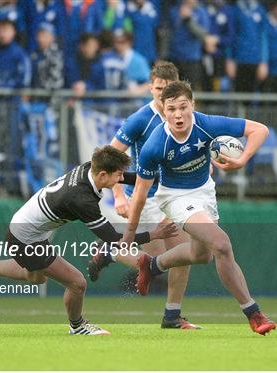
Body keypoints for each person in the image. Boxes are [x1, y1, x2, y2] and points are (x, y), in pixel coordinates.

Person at [0, 146, 177, 335]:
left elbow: (134, 178)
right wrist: (154, 234)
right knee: (77, 283)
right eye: (117, 175)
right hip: (25, 239)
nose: (121, 179)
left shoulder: (90, 168)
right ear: (102, 175)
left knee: (34, 276)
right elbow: (115, 239)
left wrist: (166, 178)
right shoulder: (80, 199)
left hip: (27, 230)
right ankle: (77, 326)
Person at [122, 81, 277, 336]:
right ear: (163, 109)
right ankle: (254, 313)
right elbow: (139, 195)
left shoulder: (207, 124)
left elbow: (260, 130)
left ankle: (152, 266)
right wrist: (128, 236)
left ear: (192, 105)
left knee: (201, 255)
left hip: (204, 191)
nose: (178, 114)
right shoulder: (155, 144)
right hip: (174, 197)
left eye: (183, 107)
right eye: (171, 109)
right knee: (222, 244)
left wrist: (242, 160)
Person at [88, 61, 200, 329]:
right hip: (146, 198)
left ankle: (172, 315)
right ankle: (111, 252)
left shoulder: (183, 116)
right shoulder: (140, 119)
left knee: (184, 255)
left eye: (166, 89)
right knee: (158, 260)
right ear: (150, 88)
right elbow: (108, 159)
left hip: (174, 196)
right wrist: (118, 195)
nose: (161, 95)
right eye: (157, 89)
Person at [30, 22, 64, 90]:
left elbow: (56, 82)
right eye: (39, 35)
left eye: (45, 36)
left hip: (52, 96)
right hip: (35, 96)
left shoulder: (56, 55)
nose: (41, 39)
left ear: (52, 38)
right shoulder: (34, 55)